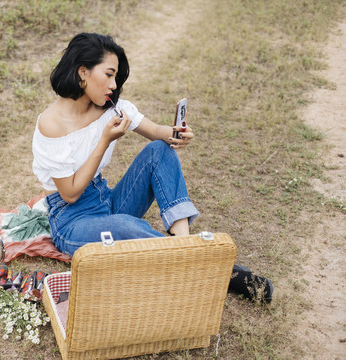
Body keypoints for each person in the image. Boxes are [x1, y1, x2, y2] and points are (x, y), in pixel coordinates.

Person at [32, 32, 273, 303]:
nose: (113, 84)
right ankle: (207, 265)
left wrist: (175, 133)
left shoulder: (111, 108)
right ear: (83, 72)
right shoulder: (51, 124)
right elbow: (71, 193)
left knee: (159, 150)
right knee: (126, 226)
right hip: (72, 221)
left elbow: (156, 131)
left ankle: (184, 244)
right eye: (109, 74)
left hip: (105, 200)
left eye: (116, 77)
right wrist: (104, 140)